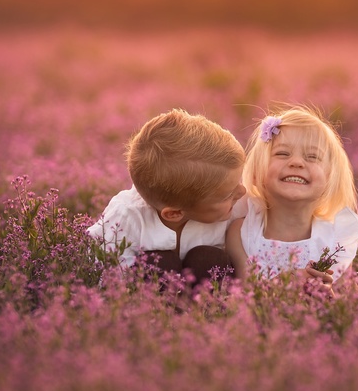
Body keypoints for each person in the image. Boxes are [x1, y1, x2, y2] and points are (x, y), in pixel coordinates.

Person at [88, 108, 247, 286]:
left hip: (203, 292)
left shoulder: (234, 205)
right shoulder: (126, 216)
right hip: (148, 299)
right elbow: (105, 274)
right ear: (174, 213)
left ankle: (203, 310)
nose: (242, 192)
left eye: (238, 182)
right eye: (228, 194)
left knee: (209, 258)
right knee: (160, 262)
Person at [225, 105, 358, 297]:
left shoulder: (334, 238)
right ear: (257, 172)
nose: (297, 162)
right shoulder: (243, 232)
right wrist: (290, 282)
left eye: (312, 157)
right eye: (282, 154)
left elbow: (353, 305)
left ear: (330, 179)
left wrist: (330, 299)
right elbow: (246, 294)